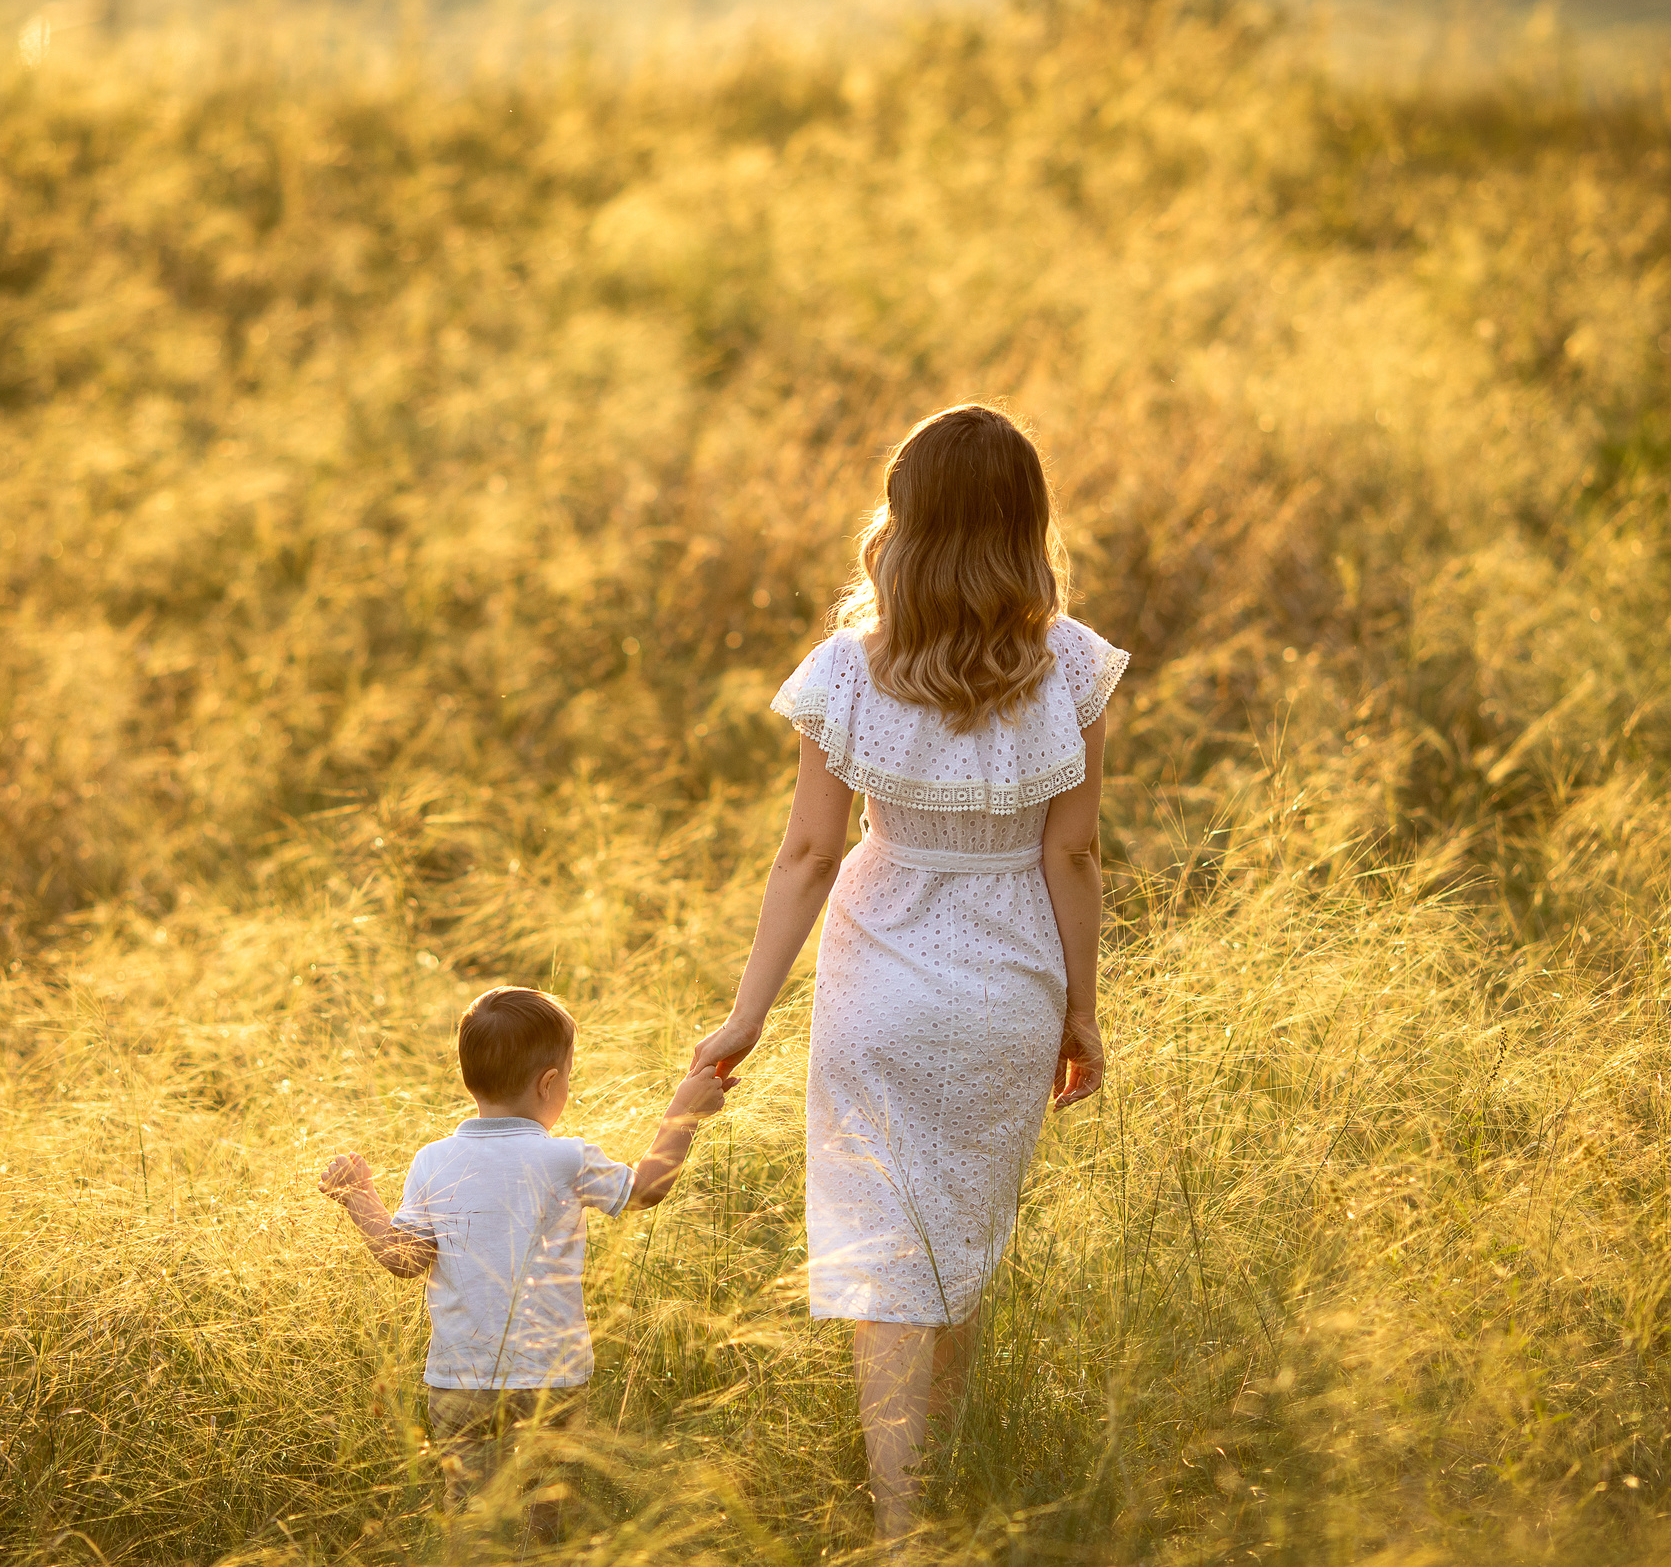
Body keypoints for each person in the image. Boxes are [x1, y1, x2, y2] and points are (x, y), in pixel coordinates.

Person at [689, 403, 1126, 1544]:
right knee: (960, 1240)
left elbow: (809, 855)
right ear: (1028, 526)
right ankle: (938, 1482)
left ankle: (901, 1526)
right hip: (1008, 986)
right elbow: (1071, 851)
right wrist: (1081, 1010)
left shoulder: (849, 668)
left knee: (885, 1256)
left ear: (903, 522)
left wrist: (745, 1016)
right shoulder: (1069, 664)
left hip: (876, 983)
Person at [320, 983, 728, 1539]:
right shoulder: (563, 1156)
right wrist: (685, 1112)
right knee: (546, 1511)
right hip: (549, 1378)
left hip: (460, 1377)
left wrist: (360, 1198)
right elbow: (647, 1189)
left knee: (471, 1516)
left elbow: (405, 1259)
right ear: (549, 1083)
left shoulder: (434, 1160)